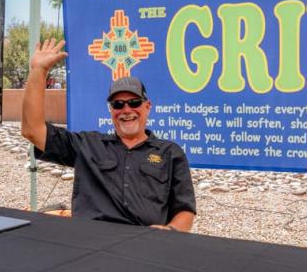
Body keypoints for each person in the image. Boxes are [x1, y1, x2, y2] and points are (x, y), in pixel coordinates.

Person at [21, 39, 196, 232]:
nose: (126, 110)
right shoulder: (87, 145)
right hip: (90, 243)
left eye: (134, 102)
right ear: (111, 110)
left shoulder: (171, 153)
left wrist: (169, 232)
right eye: (118, 105)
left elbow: (185, 210)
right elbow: (32, 130)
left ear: (148, 106)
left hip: (145, 246)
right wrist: (38, 71)